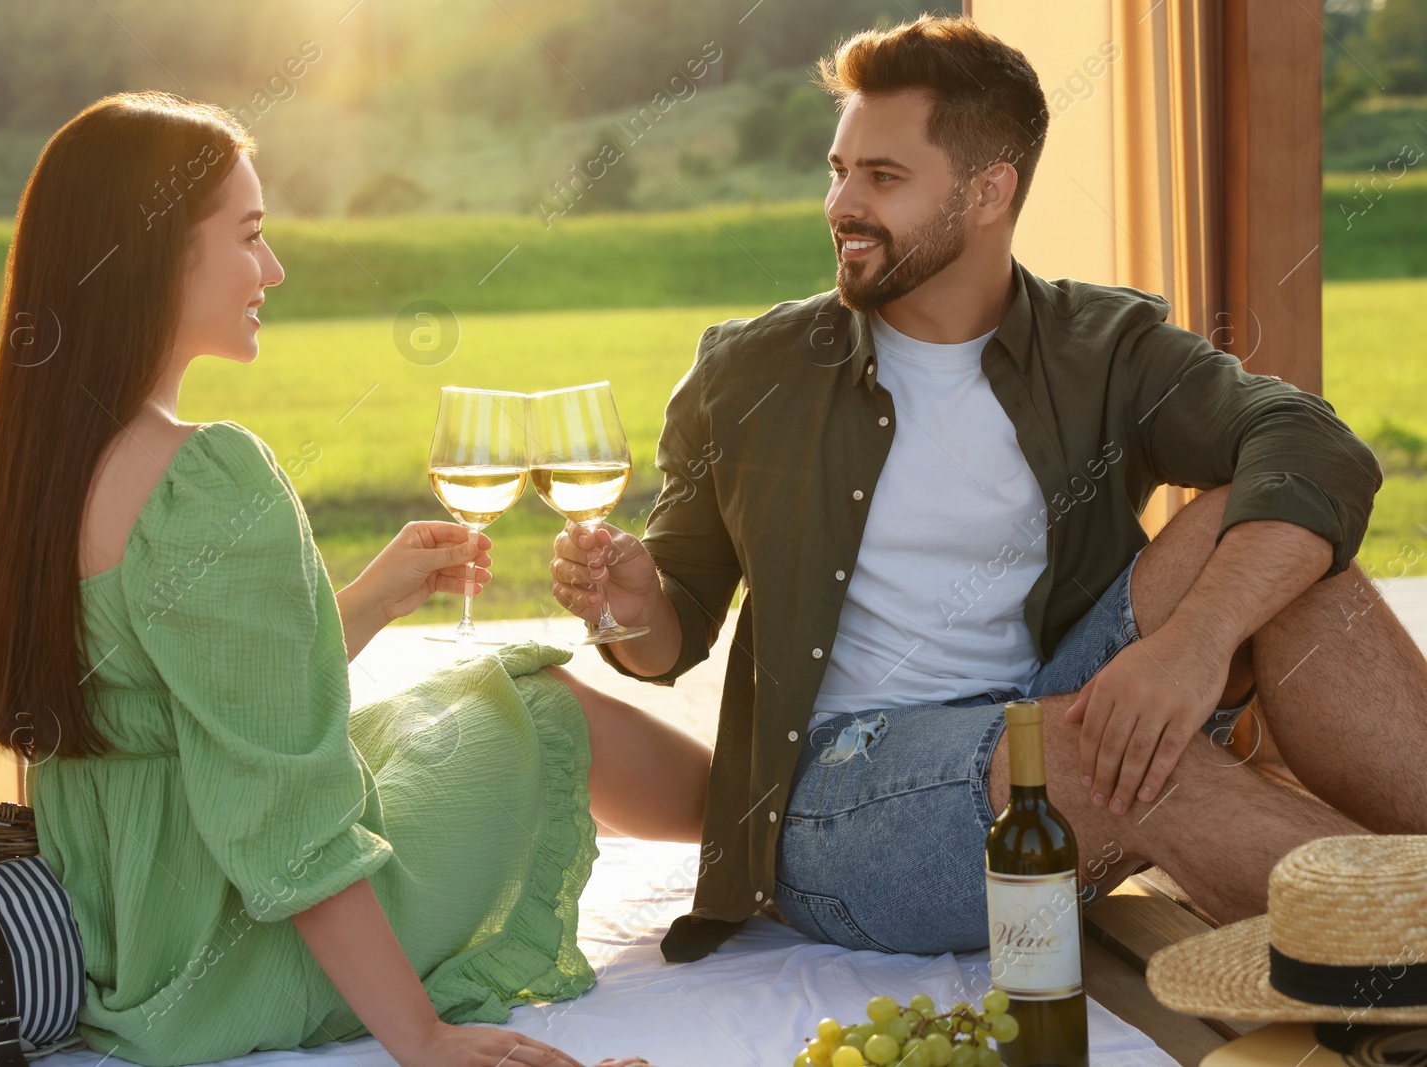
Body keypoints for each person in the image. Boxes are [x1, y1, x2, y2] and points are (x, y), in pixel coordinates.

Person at [551, 15, 1427, 965]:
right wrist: (629, 606)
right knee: (1106, 764)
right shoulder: (749, 369)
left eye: (882, 178)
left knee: (1274, 536)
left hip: (1042, 704)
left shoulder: (1102, 346)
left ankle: (1378, 903)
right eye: (839, 170)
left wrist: (1193, 645)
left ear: (987, 190)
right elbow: (668, 630)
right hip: (845, 793)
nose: (843, 202)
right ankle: (1397, 924)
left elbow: (1315, 444)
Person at [0, 91, 712, 1067]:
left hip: (138, 942)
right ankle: (767, 840)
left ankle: (763, 831)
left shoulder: (41, 468)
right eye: (249, 234)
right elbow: (286, 808)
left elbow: (198, 698)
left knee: (421, 713)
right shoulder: (205, 477)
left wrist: (366, 602)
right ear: (156, 254)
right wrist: (421, 1036)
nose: (273, 267)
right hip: (239, 952)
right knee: (527, 691)